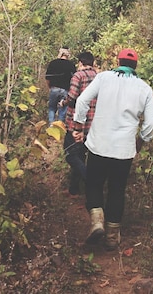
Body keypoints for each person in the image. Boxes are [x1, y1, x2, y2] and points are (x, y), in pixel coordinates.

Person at [72, 48, 153, 250]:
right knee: (117, 190)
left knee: (93, 184)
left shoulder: (104, 78)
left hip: (99, 144)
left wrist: (78, 127)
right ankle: (112, 237)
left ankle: (97, 222)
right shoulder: (144, 88)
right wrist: (141, 141)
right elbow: (151, 123)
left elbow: (82, 100)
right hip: (124, 150)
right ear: (136, 65)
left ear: (117, 61)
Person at [63, 51, 97, 196]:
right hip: (93, 123)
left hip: (76, 123)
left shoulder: (78, 76)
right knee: (81, 154)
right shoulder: (98, 77)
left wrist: (63, 102)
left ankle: (89, 179)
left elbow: (72, 97)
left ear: (80, 62)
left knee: (69, 153)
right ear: (92, 63)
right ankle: (74, 188)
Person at [45, 47, 76, 125]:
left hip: (54, 89)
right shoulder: (71, 65)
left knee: (52, 108)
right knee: (63, 109)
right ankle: (60, 127)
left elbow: (47, 78)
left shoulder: (53, 63)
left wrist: (50, 87)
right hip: (65, 90)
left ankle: (51, 126)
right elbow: (74, 80)